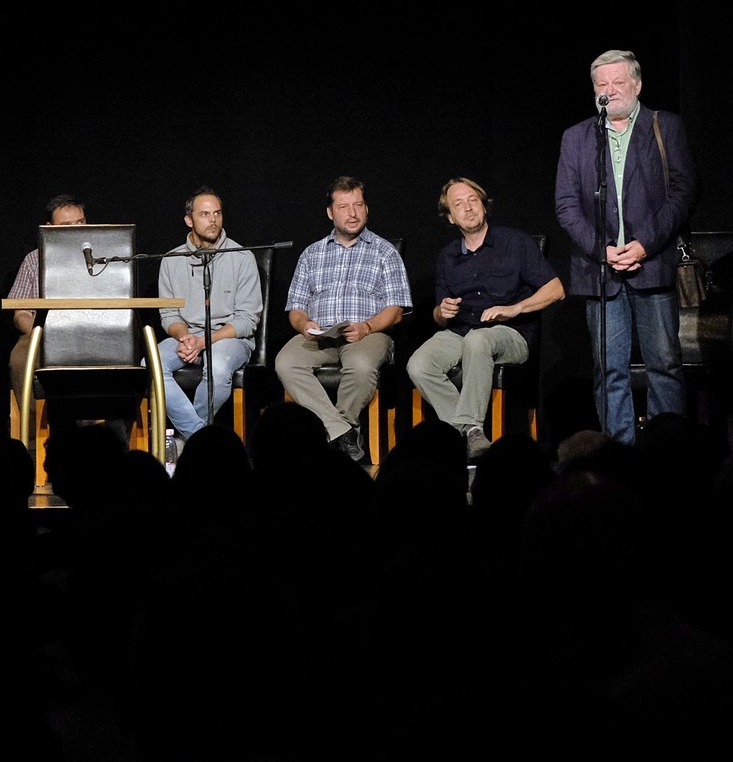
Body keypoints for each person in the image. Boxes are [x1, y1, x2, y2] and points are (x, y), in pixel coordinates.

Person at [553, 48, 698, 444]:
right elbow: (566, 205)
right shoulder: (577, 137)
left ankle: (666, 448)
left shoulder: (665, 126)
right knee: (608, 369)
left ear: (637, 84)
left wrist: (644, 245)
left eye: (619, 82)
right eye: (602, 84)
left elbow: (683, 194)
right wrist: (601, 250)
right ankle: (618, 453)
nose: (610, 90)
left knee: (664, 364)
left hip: (651, 263)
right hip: (600, 271)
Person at [405, 178, 565, 459]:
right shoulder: (447, 257)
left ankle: (472, 427)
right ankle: (467, 432)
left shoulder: (515, 243)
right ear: (450, 217)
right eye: (458, 204)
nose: (468, 208)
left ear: (484, 205)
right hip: (460, 331)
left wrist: (515, 308)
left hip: (510, 333)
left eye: (473, 200)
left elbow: (556, 290)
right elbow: (440, 317)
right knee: (419, 364)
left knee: (478, 340)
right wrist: (441, 312)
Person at [275, 176, 412, 464]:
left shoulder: (384, 252)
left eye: (358, 205)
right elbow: (296, 308)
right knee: (286, 362)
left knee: (360, 365)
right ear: (330, 212)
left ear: (366, 208)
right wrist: (304, 325)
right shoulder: (312, 254)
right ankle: (341, 432)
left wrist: (367, 327)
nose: (352, 213)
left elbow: (396, 309)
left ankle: (337, 431)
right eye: (344, 207)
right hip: (320, 336)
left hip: (367, 334)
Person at [155, 187, 262, 444]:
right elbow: (168, 314)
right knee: (152, 364)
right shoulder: (171, 260)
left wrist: (204, 342)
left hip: (229, 338)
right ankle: (199, 437)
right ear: (189, 220)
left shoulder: (242, 257)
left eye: (217, 213)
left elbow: (247, 319)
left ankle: (191, 442)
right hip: (187, 336)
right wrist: (185, 337)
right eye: (204, 214)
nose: (213, 220)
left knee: (218, 367)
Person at [7, 194, 87, 396]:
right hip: (42, 335)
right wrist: (41, 334)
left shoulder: (102, 259)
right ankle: (33, 416)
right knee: (20, 358)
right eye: (66, 225)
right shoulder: (34, 260)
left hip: (91, 334)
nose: (75, 230)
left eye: (80, 223)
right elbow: (20, 313)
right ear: (49, 228)